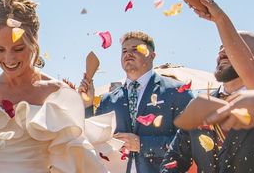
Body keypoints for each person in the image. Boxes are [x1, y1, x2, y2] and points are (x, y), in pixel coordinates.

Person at [0, 0, 117, 173]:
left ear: (34, 42)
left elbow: (72, 158)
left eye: (18, 49)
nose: (8, 59)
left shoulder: (55, 93)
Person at [159, 22, 254, 173]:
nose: (222, 52)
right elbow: (175, 157)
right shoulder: (199, 104)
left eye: (232, 47)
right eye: (220, 48)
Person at [80, 31, 194, 173]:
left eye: (136, 49)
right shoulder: (108, 100)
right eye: (124, 50)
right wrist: (88, 104)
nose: (128, 53)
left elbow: (190, 143)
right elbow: (93, 141)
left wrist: (143, 144)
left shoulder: (177, 93)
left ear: (152, 56)